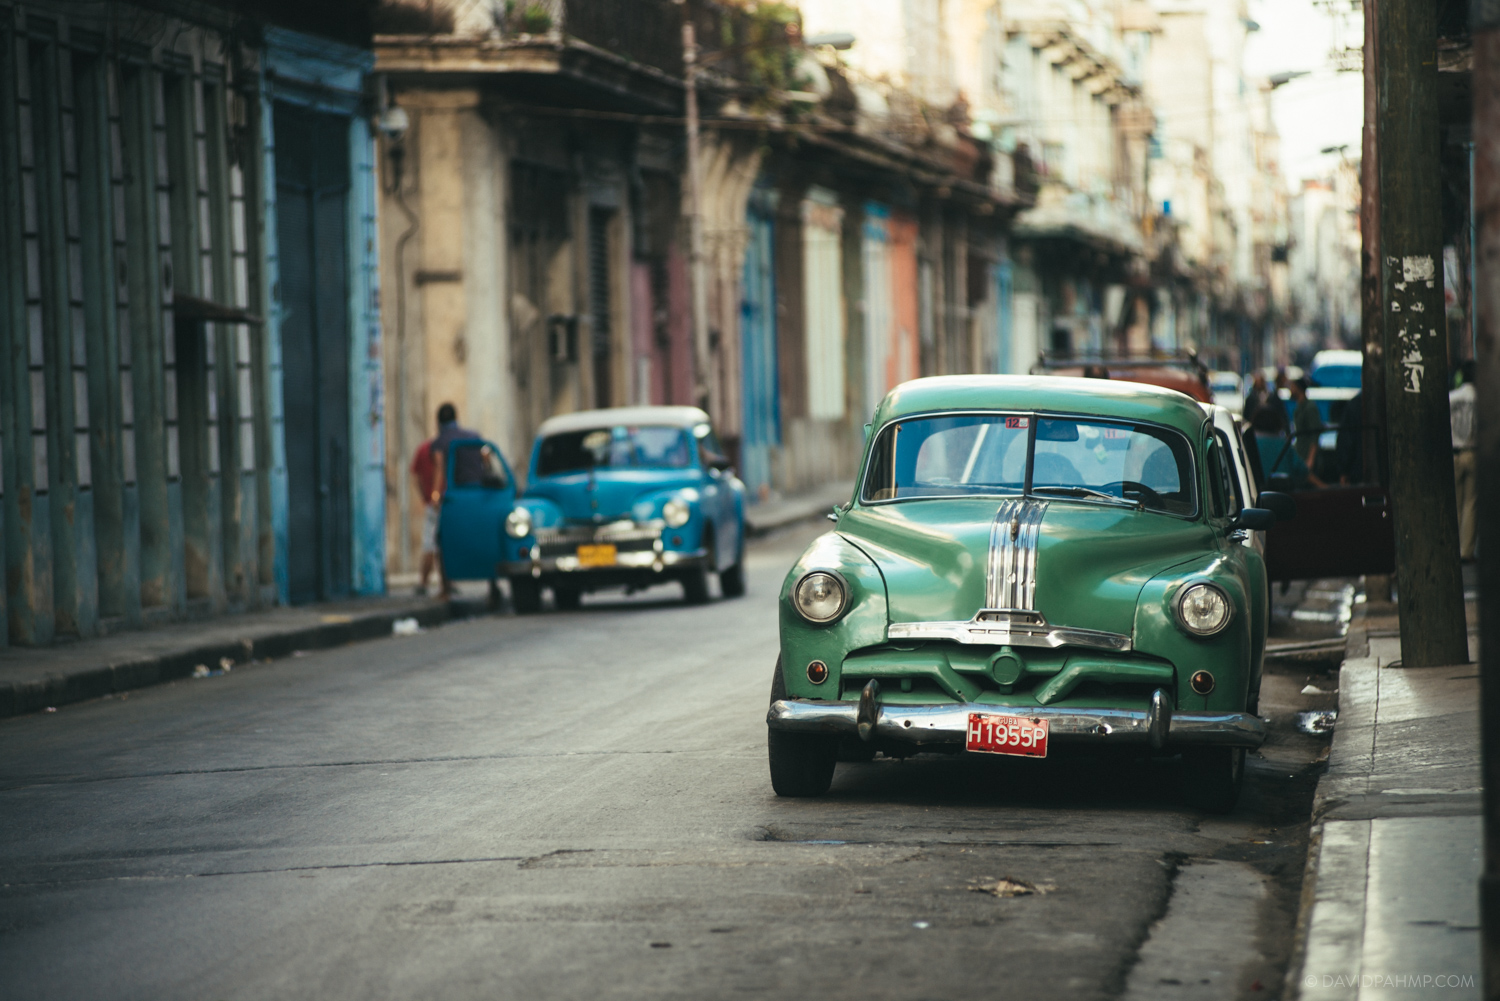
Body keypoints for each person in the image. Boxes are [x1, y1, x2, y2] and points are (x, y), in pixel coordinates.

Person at [429, 403, 483, 598]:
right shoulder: (473, 437)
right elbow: (485, 460)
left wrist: (435, 496)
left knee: (442, 540)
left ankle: (445, 587)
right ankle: (493, 586)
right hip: (480, 494)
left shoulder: (440, 442)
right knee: (484, 536)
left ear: (438, 421)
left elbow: (439, 469)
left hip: (456, 497)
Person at [1252, 404, 1324, 489]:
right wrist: (1323, 486)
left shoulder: (1251, 444)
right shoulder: (1283, 444)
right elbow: (1303, 471)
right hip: (1284, 495)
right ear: (1277, 423)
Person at [409, 434, 443, 597]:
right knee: (436, 544)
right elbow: (439, 469)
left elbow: (415, 476)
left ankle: (426, 582)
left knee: (431, 543)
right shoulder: (440, 449)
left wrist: (426, 496)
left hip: (432, 503)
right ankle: (443, 583)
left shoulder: (422, 448)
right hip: (444, 502)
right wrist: (435, 495)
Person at [1451, 360, 1477, 561]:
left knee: (1455, 503)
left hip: (1453, 453)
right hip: (1473, 452)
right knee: (1471, 502)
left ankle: (1452, 545)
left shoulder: (1452, 398)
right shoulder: (1482, 398)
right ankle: (1466, 550)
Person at [1289, 377, 1321, 470]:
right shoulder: (1298, 407)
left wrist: (1311, 459)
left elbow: (1315, 435)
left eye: (1293, 386)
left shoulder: (1310, 408)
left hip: (1308, 456)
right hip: (1301, 454)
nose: (1291, 389)